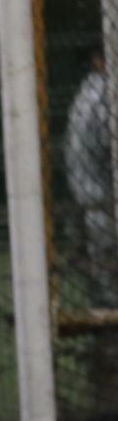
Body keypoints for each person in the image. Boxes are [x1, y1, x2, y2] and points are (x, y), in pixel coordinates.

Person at [64, 48, 117, 306]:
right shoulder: (104, 92)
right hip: (102, 194)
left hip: (91, 194)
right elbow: (109, 140)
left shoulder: (90, 90)